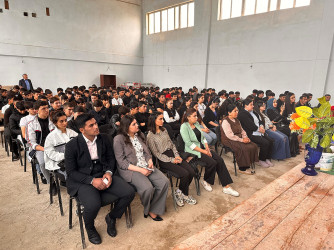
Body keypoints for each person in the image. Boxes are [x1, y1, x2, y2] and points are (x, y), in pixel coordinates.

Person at [65, 113, 135, 244]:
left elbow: (110, 159)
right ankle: (90, 228)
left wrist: (108, 172)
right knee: (93, 205)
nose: (96, 127)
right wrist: (92, 181)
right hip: (83, 179)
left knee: (129, 192)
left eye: (95, 123)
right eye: (91, 125)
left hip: (103, 174)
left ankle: (111, 217)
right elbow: (71, 172)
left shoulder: (105, 138)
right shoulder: (72, 145)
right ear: (82, 130)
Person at [113, 115, 169, 221]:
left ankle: (154, 209)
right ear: (126, 127)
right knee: (148, 189)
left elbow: (147, 152)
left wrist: (150, 160)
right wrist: (140, 170)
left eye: (136, 123)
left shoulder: (140, 134)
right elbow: (121, 162)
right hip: (131, 169)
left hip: (145, 165)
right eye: (134, 124)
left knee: (164, 182)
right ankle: (147, 209)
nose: (137, 125)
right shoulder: (118, 139)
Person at [180, 108, 239, 196]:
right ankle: (206, 181)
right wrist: (203, 151)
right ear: (188, 117)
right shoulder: (184, 126)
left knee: (219, 159)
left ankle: (226, 186)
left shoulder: (196, 124)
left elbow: (202, 137)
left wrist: (207, 147)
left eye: (197, 115)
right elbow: (188, 143)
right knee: (212, 162)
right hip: (193, 151)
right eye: (194, 116)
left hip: (202, 147)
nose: (197, 118)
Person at [147, 112, 197, 207]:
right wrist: (171, 160)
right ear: (154, 121)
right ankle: (185, 195)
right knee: (185, 174)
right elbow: (156, 154)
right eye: (160, 119)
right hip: (164, 160)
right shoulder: (150, 136)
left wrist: (177, 155)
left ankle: (179, 192)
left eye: (162, 118)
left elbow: (172, 144)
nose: (163, 120)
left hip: (173, 154)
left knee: (191, 171)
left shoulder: (164, 129)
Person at [221, 104, 259, 175]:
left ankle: (248, 163)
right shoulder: (225, 121)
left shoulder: (237, 120)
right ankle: (242, 168)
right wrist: (242, 140)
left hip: (238, 138)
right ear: (229, 112)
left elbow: (242, 130)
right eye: (234, 111)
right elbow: (230, 135)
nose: (237, 112)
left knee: (253, 145)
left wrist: (245, 137)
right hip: (228, 140)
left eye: (237, 111)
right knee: (243, 148)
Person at [44, 110, 78, 188]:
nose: (65, 123)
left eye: (65, 120)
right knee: (74, 174)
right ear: (55, 123)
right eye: (61, 121)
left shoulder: (72, 133)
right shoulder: (51, 137)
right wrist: (67, 156)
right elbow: (51, 154)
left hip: (74, 160)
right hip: (60, 164)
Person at [237, 99, 274, 168]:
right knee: (265, 143)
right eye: (251, 104)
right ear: (246, 106)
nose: (253, 106)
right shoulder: (242, 114)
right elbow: (251, 126)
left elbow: (260, 121)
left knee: (271, 141)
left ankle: (267, 158)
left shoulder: (253, 112)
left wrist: (261, 126)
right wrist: (260, 130)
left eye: (253, 104)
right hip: (251, 134)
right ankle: (261, 160)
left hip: (259, 131)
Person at [27, 100, 56, 184]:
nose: (47, 110)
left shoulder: (53, 120)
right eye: (43, 108)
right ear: (36, 111)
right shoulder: (31, 124)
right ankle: (51, 183)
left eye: (47, 108)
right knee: (43, 163)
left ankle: (64, 178)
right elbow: (32, 143)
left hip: (54, 145)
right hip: (40, 148)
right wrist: (45, 149)